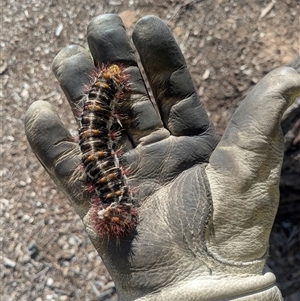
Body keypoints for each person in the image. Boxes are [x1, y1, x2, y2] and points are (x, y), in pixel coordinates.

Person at [25, 14, 300, 301]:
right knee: (93, 141)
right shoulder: (115, 201)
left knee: (93, 141)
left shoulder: (115, 198)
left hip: (102, 125)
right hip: (102, 128)